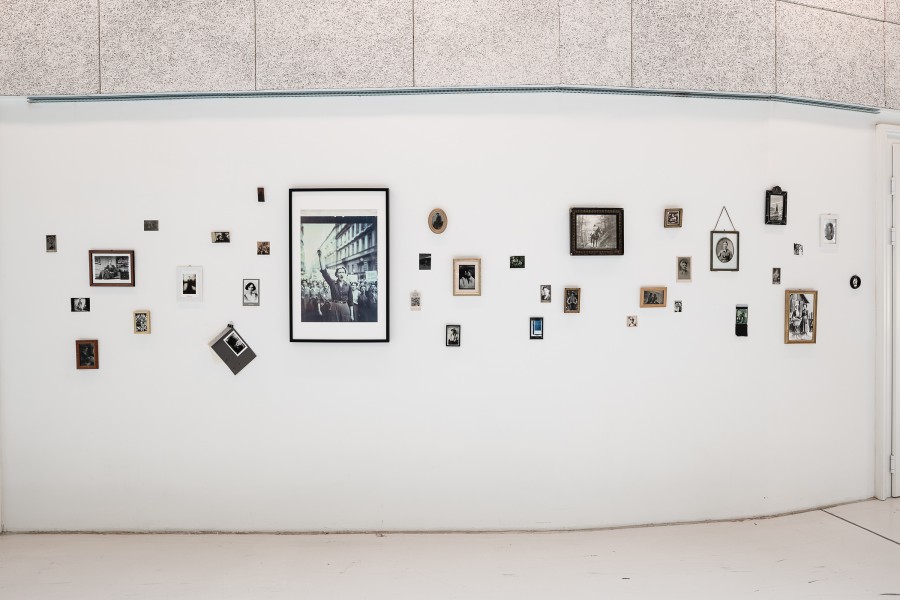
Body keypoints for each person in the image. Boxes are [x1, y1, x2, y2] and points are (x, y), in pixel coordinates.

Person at [318, 249, 352, 322]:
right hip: (334, 307)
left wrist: (352, 314)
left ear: (345, 274)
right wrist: (320, 257)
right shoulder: (332, 283)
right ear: (336, 274)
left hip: (345, 307)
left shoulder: (348, 286)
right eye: (339, 272)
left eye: (343, 272)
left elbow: (351, 301)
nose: (341, 274)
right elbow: (324, 272)